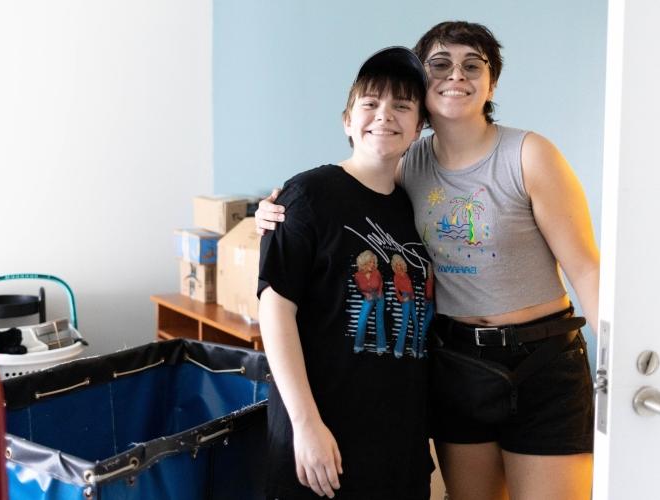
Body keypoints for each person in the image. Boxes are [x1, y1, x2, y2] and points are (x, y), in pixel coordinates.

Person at [256, 21, 598, 500]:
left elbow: (586, 269)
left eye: (472, 65)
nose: (455, 76)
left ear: (491, 82)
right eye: (440, 65)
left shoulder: (527, 154)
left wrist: (621, 368)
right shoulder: (402, 167)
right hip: (457, 362)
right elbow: (343, 195)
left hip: (541, 360)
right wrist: (277, 210)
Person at [257, 46, 435, 500]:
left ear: (418, 128)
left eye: (402, 105)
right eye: (370, 103)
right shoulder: (307, 195)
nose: (384, 115)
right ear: (347, 121)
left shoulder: (413, 208)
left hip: (397, 448)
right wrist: (306, 424)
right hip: (322, 439)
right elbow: (275, 309)